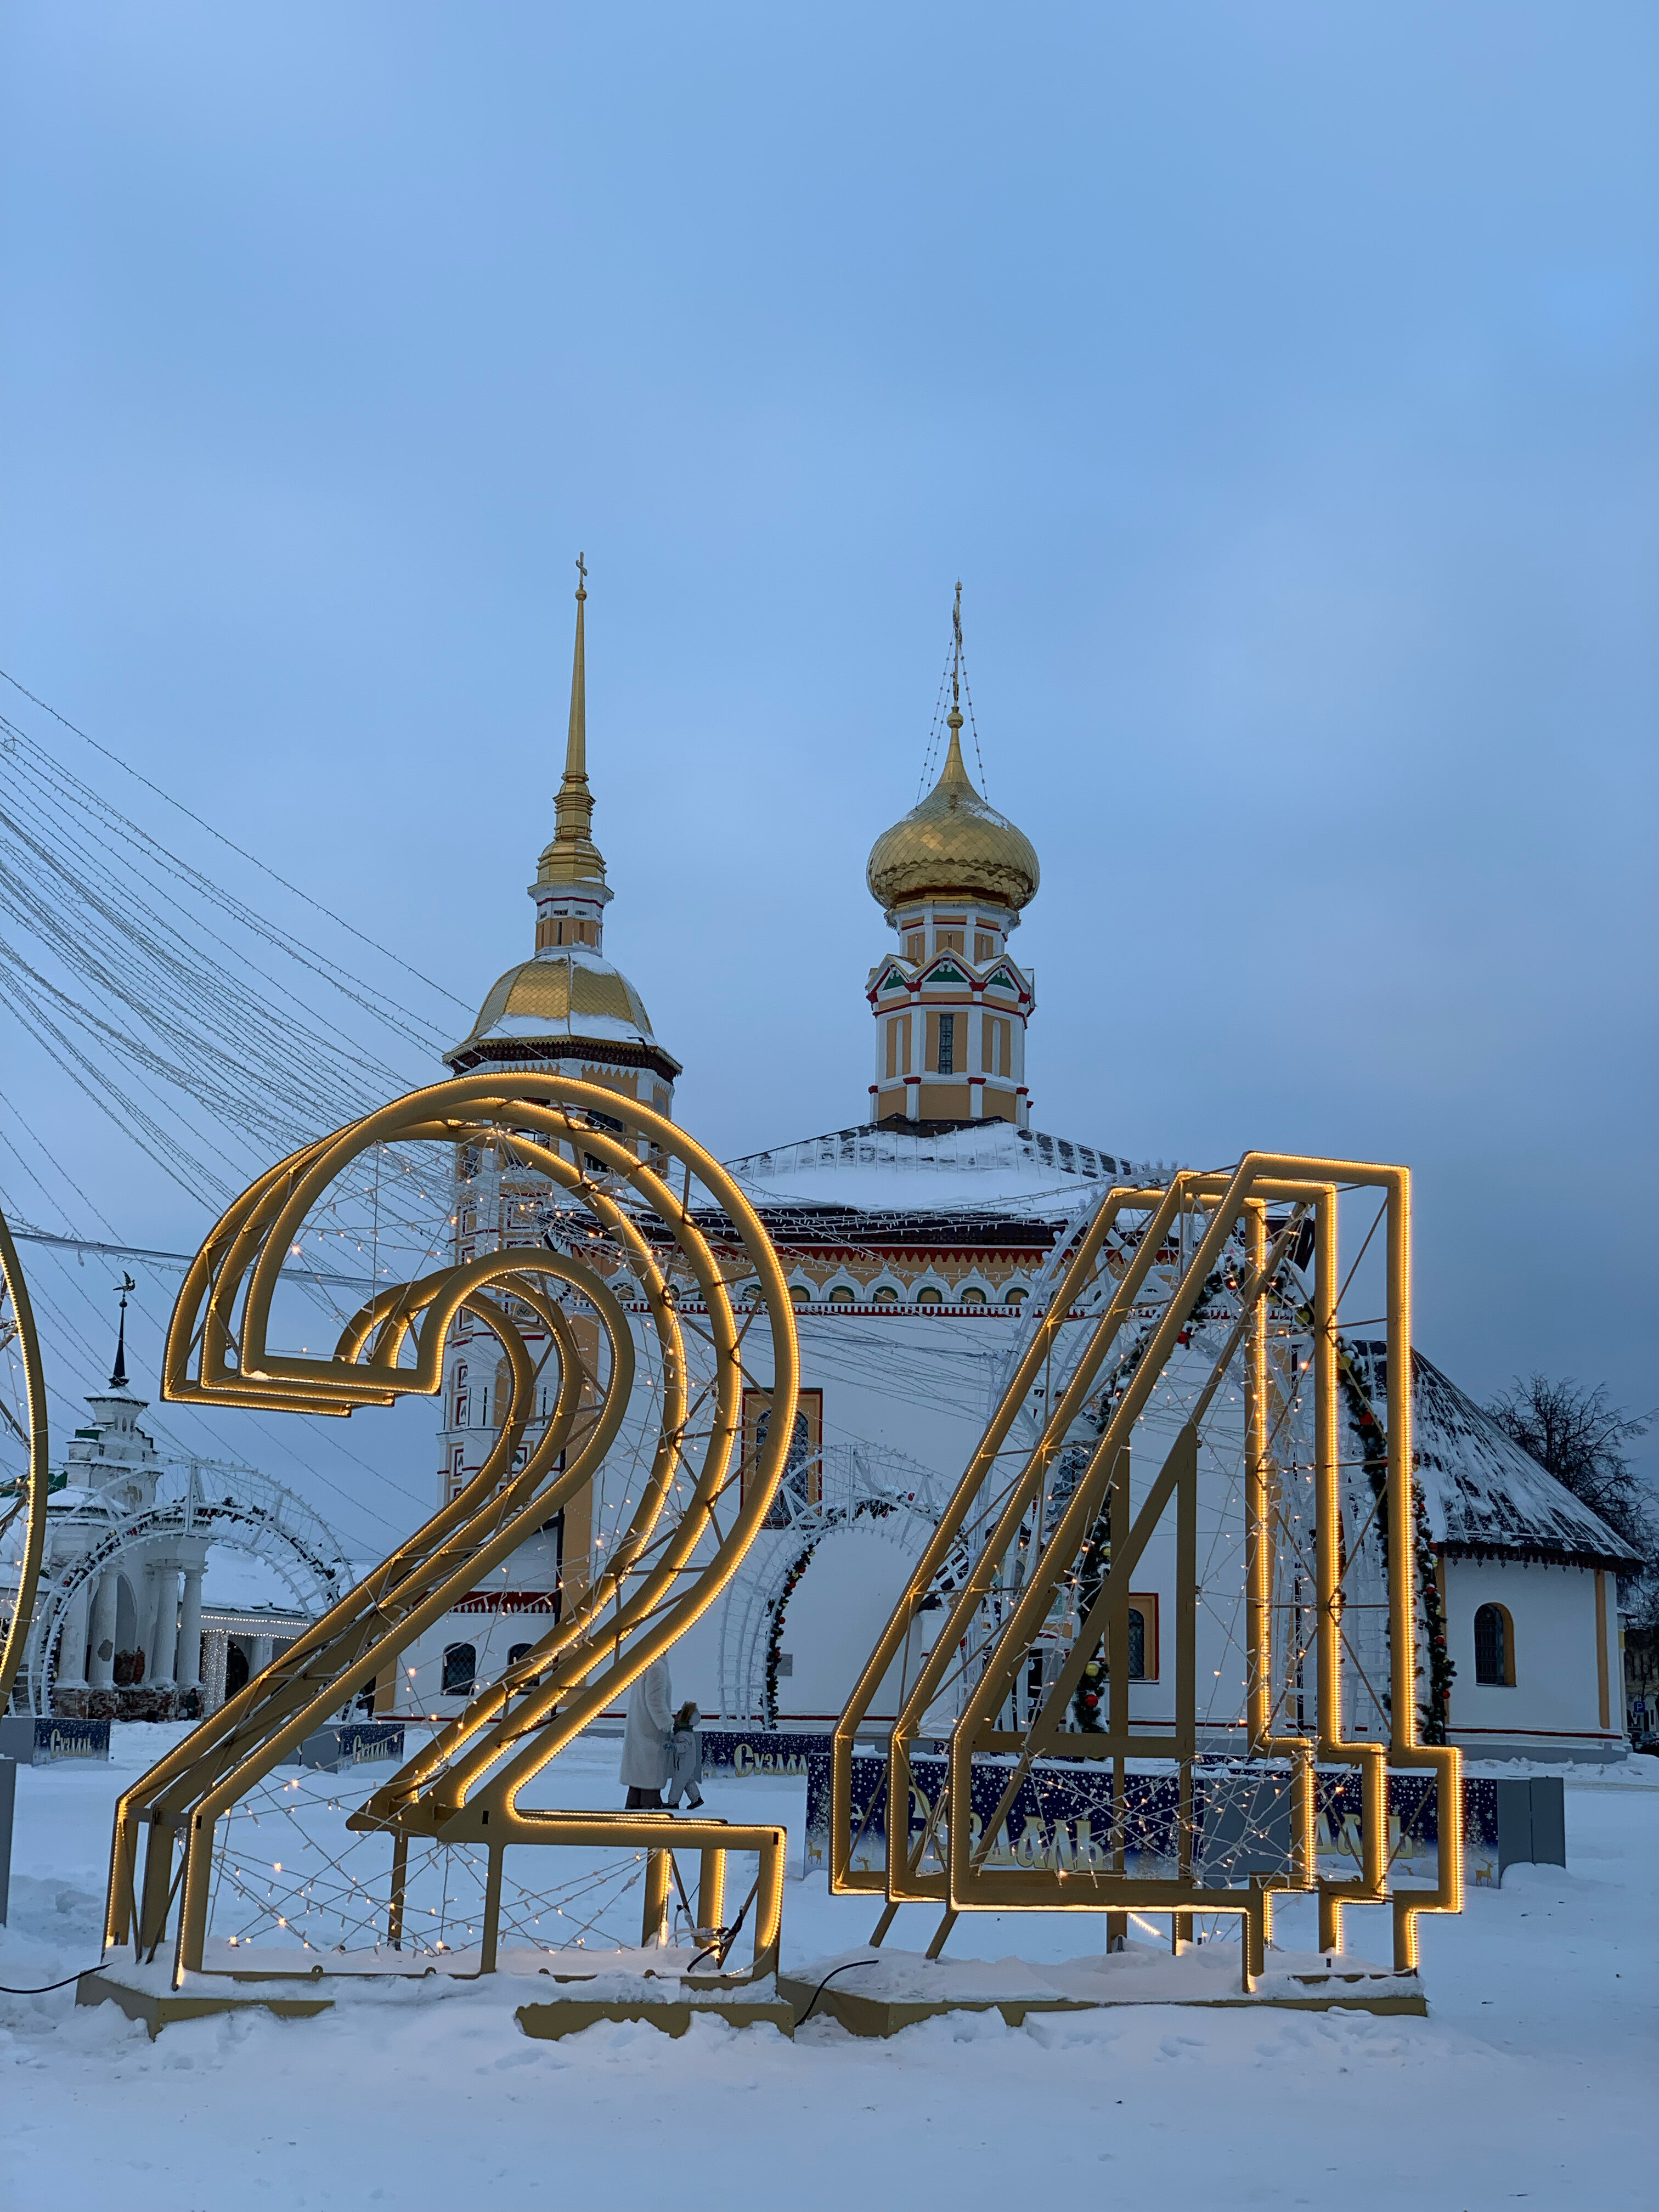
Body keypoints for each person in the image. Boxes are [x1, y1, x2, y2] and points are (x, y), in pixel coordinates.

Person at [619, 1652, 673, 1808]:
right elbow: (655, 1700)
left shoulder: (645, 1665)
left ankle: (633, 1809)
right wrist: (666, 1723)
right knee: (650, 1777)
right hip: (651, 1731)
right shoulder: (657, 1668)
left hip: (639, 1727)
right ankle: (651, 1812)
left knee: (638, 1778)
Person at [664, 1701, 704, 1810]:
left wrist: (674, 1747)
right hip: (688, 1763)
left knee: (678, 1782)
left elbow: (684, 1746)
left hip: (683, 1763)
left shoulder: (683, 1734)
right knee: (688, 1781)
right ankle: (696, 1799)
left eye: (678, 1716)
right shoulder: (686, 1732)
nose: (675, 1718)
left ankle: (673, 1802)